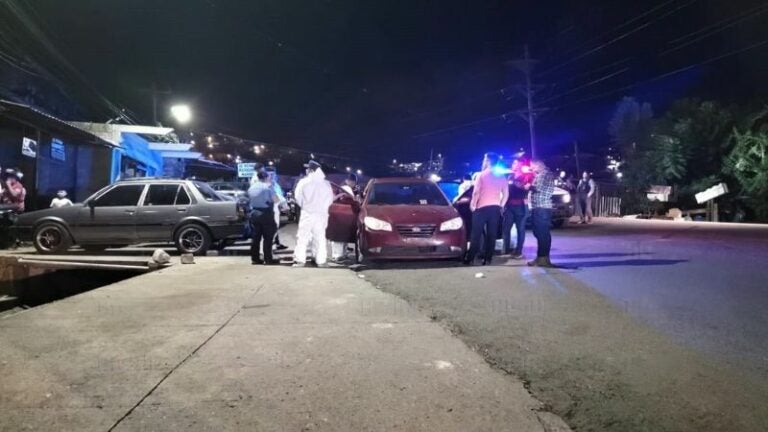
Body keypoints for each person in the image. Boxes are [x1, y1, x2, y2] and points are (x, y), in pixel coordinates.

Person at [464, 153, 508, 266]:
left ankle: (471, 258)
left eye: (484, 159)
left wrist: (473, 205)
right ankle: (488, 259)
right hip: (495, 208)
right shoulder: (502, 176)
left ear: (487, 161)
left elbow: (476, 192)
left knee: (476, 234)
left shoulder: (481, 175)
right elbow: (506, 194)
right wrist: (501, 205)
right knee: (492, 234)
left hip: (481, 208)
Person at [293, 160, 334, 268]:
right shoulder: (326, 183)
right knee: (320, 237)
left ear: (311, 170)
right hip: (321, 215)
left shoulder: (303, 182)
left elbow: (298, 197)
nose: (306, 170)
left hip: (307, 213)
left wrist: (306, 206)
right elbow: (330, 199)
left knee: (302, 237)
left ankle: (300, 260)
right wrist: (322, 208)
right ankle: (320, 260)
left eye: (307, 168)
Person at [527, 160, 556, 267]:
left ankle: (543, 258)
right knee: (539, 232)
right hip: (539, 207)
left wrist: (527, 186)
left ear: (538, 165)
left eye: (532, 167)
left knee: (542, 233)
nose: (531, 169)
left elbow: (538, 188)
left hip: (542, 207)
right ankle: (540, 257)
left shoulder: (545, 174)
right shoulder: (542, 174)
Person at [247, 170, 280, 265]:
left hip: (254, 213)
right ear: (266, 177)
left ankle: (255, 258)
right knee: (268, 237)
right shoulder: (268, 187)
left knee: (256, 238)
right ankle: (268, 259)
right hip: (266, 213)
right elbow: (276, 200)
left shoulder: (251, 188)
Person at [502, 160, 532, 259]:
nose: (512, 165)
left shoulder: (526, 176)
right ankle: (506, 250)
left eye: (515, 163)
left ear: (520, 165)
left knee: (520, 229)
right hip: (509, 206)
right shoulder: (510, 176)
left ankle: (519, 251)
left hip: (521, 206)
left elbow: (525, 188)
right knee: (506, 229)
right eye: (513, 163)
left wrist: (515, 182)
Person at [331, 173, 358, 262]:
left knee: (344, 236)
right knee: (338, 237)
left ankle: (342, 253)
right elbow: (335, 199)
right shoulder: (342, 189)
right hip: (339, 214)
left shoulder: (351, 189)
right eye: (352, 182)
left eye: (354, 182)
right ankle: (337, 255)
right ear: (347, 181)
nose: (353, 183)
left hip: (345, 215)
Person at [266, 169, 289, 250]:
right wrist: (284, 204)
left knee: (272, 230)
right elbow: (277, 198)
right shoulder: (268, 186)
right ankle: (268, 251)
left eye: (273, 174)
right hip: (270, 211)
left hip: (270, 210)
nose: (271, 176)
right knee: (271, 230)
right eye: (269, 174)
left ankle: (272, 246)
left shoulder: (274, 184)